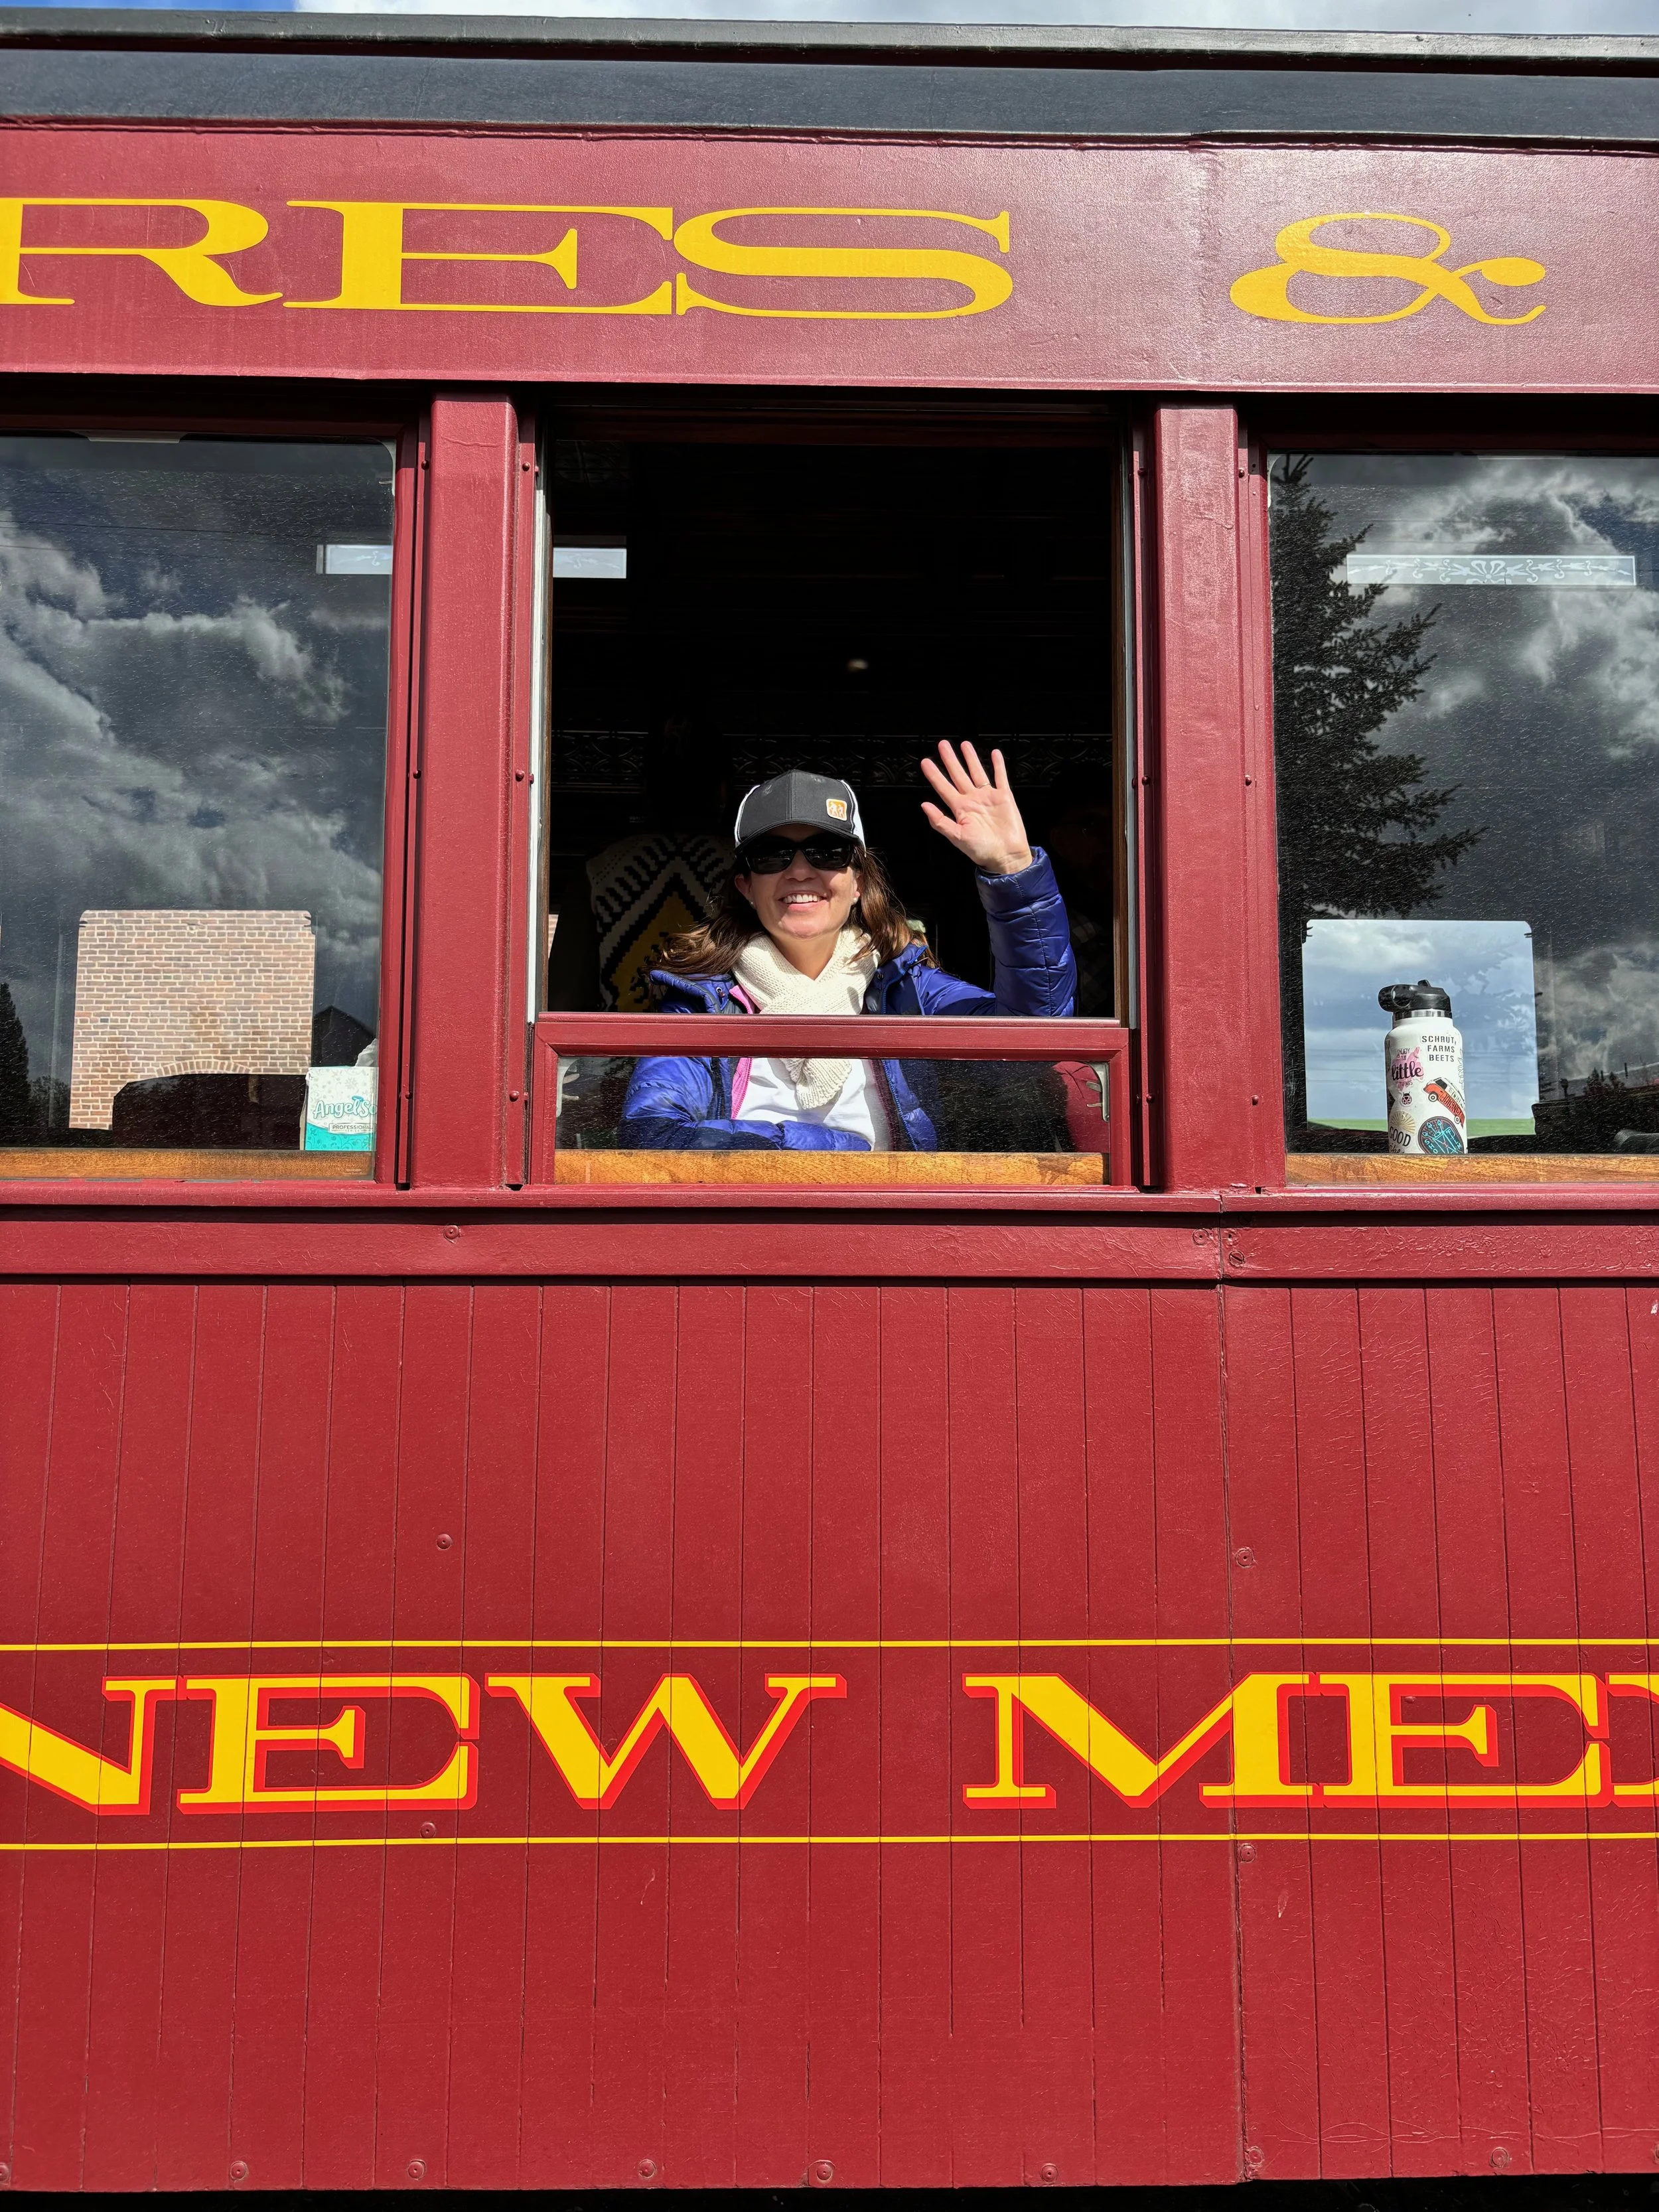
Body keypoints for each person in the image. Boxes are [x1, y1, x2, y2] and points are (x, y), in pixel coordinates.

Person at [618, 742, 1075, 1152]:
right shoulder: (702, 1005)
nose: (800, 871)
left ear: (858, 882)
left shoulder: (906, 990)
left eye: (827, 851)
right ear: (746, 887)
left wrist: (1014, 871)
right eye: (772, 855)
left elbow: (1032, 1041)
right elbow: (652, 1135)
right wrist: (833, 1154)